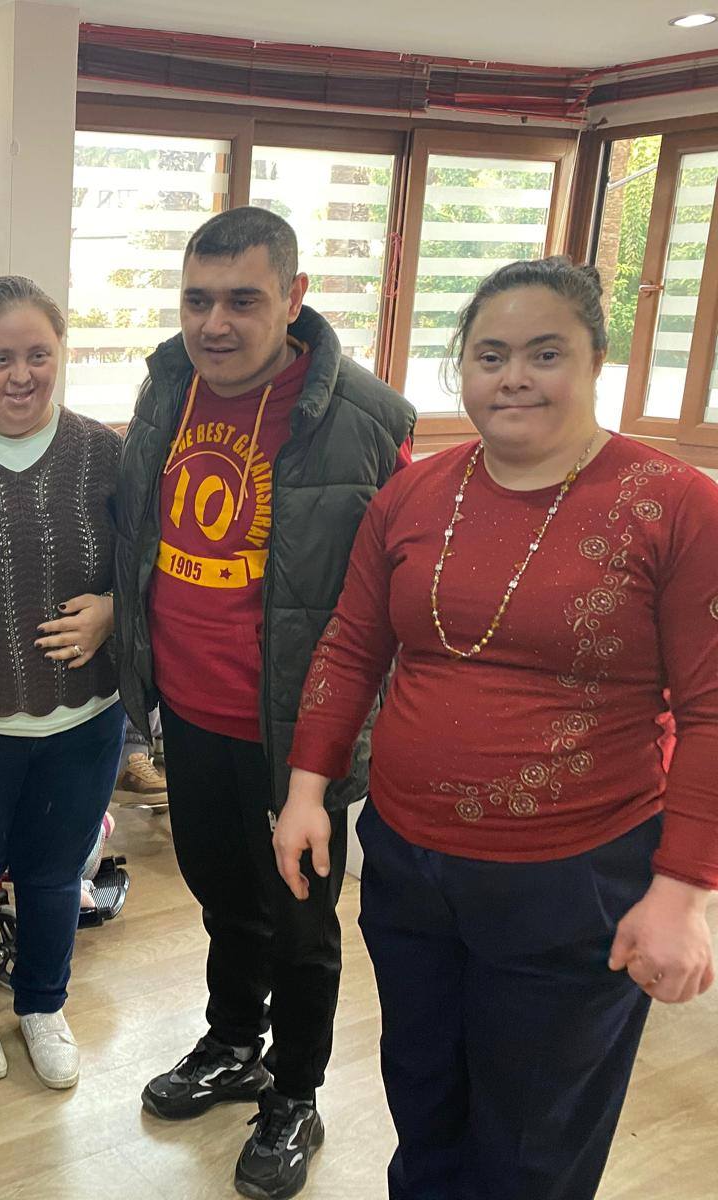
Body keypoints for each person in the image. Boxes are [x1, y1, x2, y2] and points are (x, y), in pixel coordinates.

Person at [275, 256, 718, 1200]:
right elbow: (351, 646)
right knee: (423, 1094)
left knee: (532, 1136)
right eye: (490, 355)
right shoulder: (414, 494)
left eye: (544, 353)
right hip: (407, 863)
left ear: (596, 360)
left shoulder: (677, 505)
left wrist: (683, 893)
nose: (514, 377)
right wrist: (308, 791)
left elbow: (713, 710)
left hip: (575, 877)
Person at [111, 206, 415, 1200]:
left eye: (243, 300)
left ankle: (295, 1092)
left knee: (299, 923)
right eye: (197, 299)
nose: (215, 323)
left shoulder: (365, 418)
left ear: (294, 298)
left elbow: (387, 593)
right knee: (220, 892)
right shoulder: (167, 386)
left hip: (298, 735)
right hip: (189, 711)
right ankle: (235, 1040)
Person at [0, 275, 126, 1089]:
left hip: (84, 718)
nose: (20, 375)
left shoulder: (102, 453)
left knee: (53, 875)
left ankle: (43, 1004)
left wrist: (113, 608)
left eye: (38, 355)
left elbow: (148, 566)